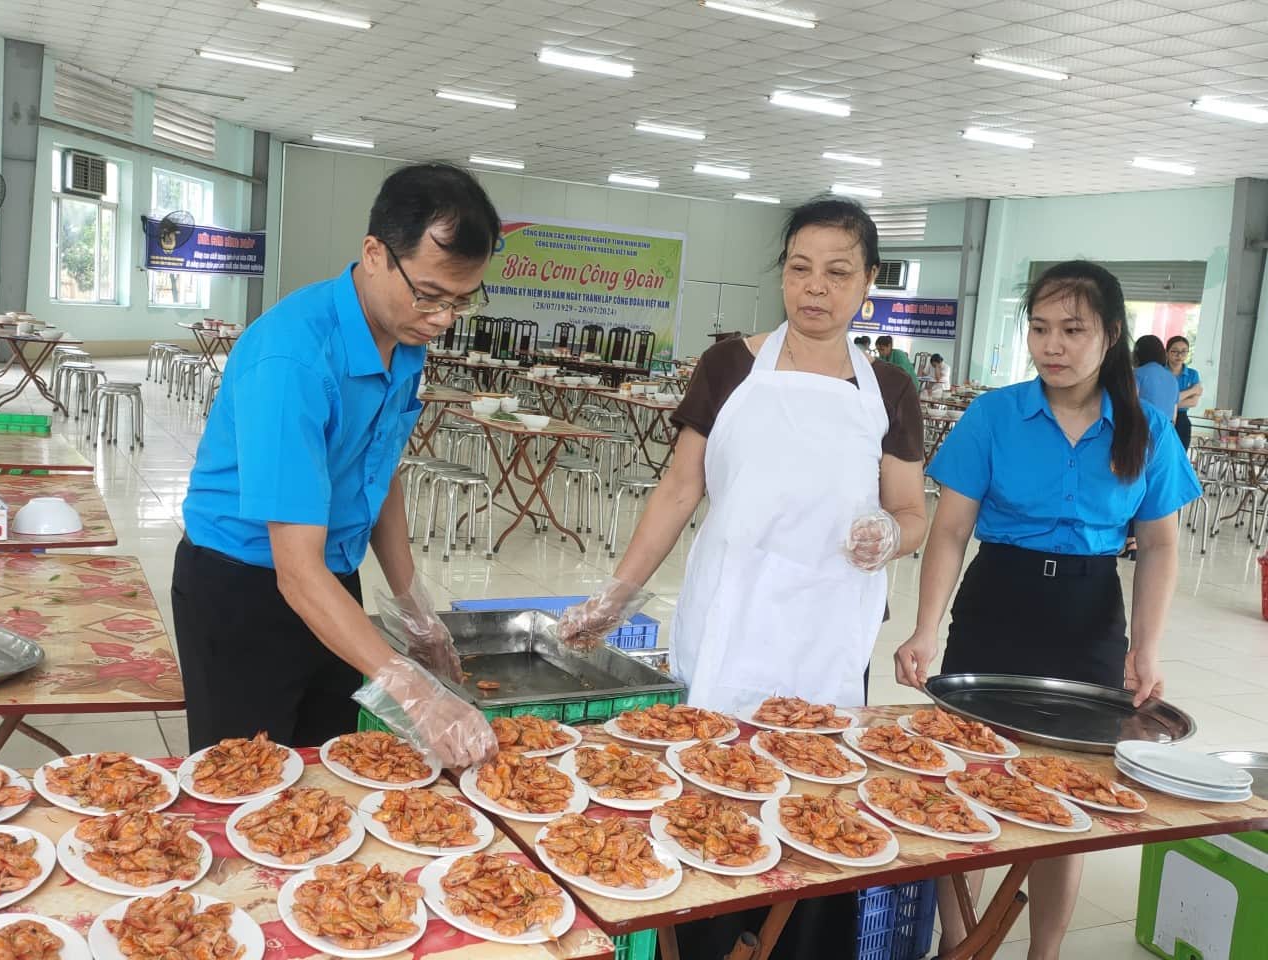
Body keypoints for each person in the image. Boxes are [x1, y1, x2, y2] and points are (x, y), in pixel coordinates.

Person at [557, 197, 927, 959]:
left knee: (815, 802)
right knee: (709, 794)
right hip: (730, 618)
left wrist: (889, 535)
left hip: (826, 634)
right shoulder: (731, 364)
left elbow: (912, 511)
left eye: (836, 272)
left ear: (868, 283)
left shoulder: (888, 387)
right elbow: (678, 489)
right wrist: (617, 591)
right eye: (799, 268)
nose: (814, 289)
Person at [894, 260, 1200, 960]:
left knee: (1072, 802)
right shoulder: (995, 415)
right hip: (997, 603)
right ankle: (960, 940)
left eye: (1072, 330)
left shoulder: (1147, 429)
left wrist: (1144, 648)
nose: (1052, 345)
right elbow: (950, 530)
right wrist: (925, 628)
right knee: (961, 779)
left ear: (1111, 336)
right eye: (1039, 329)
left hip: (1090, 615)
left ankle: (1045, 951)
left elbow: (1158, 548)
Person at [172, 163, 500, 768]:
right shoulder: (293, 358)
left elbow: (379, 469)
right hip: (245, 587)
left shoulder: (404, 338)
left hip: (331, 581)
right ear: (374, 253)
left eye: (460, 301)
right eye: (429, 294)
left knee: (332, 773)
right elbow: (293, 573)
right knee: (250, 785)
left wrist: (414, 608)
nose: (442, 319)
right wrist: (412, 690)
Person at [1166, 335, 1202, 450]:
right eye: (1175, 351)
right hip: (1163, 418)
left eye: (1184, 352)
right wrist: (1191, 390)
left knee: (1180, 456)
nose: (1179, 355)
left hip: (1182, 420)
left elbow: (1193, 402)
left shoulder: (1192, 374)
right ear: (1167, 352)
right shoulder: (1160, 371)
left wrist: (1169, 402)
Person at [1134, 334, 1178, 421]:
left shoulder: (1135, 374)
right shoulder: (1172, 378)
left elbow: (1128, 406)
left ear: (1138, 353)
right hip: (1165, 431)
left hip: (1140, 428)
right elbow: (1174, 417)